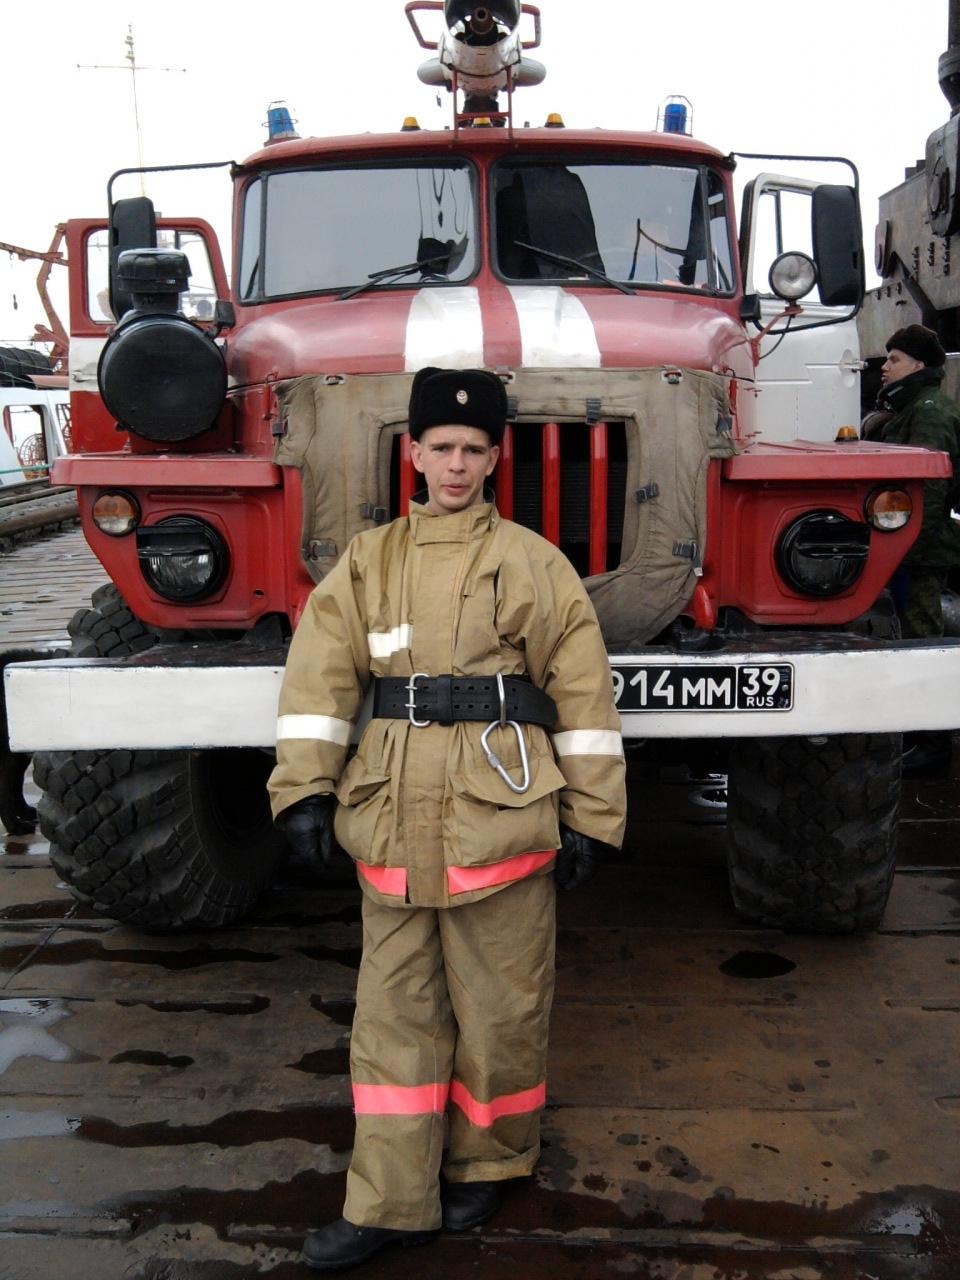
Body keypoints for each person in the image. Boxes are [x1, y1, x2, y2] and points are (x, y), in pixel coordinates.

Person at [268, 366, 627, 1272]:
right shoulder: (369, 560)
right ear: (415, 455)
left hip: (498, 828)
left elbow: (583, 695)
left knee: (503, 1015)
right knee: (390, 1022)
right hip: (393, 827)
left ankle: (490, 1161)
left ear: (496, 457)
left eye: (473, 449)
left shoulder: (534, 564)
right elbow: (318, 682)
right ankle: (389, 1202)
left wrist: (593, 815)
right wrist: (303, 791)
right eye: (442, 448)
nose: (457, 464)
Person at [863, 324, 960, 774]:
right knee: (913, 633)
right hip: (909, 544)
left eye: (895, 359)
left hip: (920, 547)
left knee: (924, 639)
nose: (885, 367)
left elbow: (930, 489)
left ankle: (933, 745)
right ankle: (919, 735)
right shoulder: (911, 407)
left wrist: (905, 546)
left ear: (919, 365)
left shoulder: (929, 412)